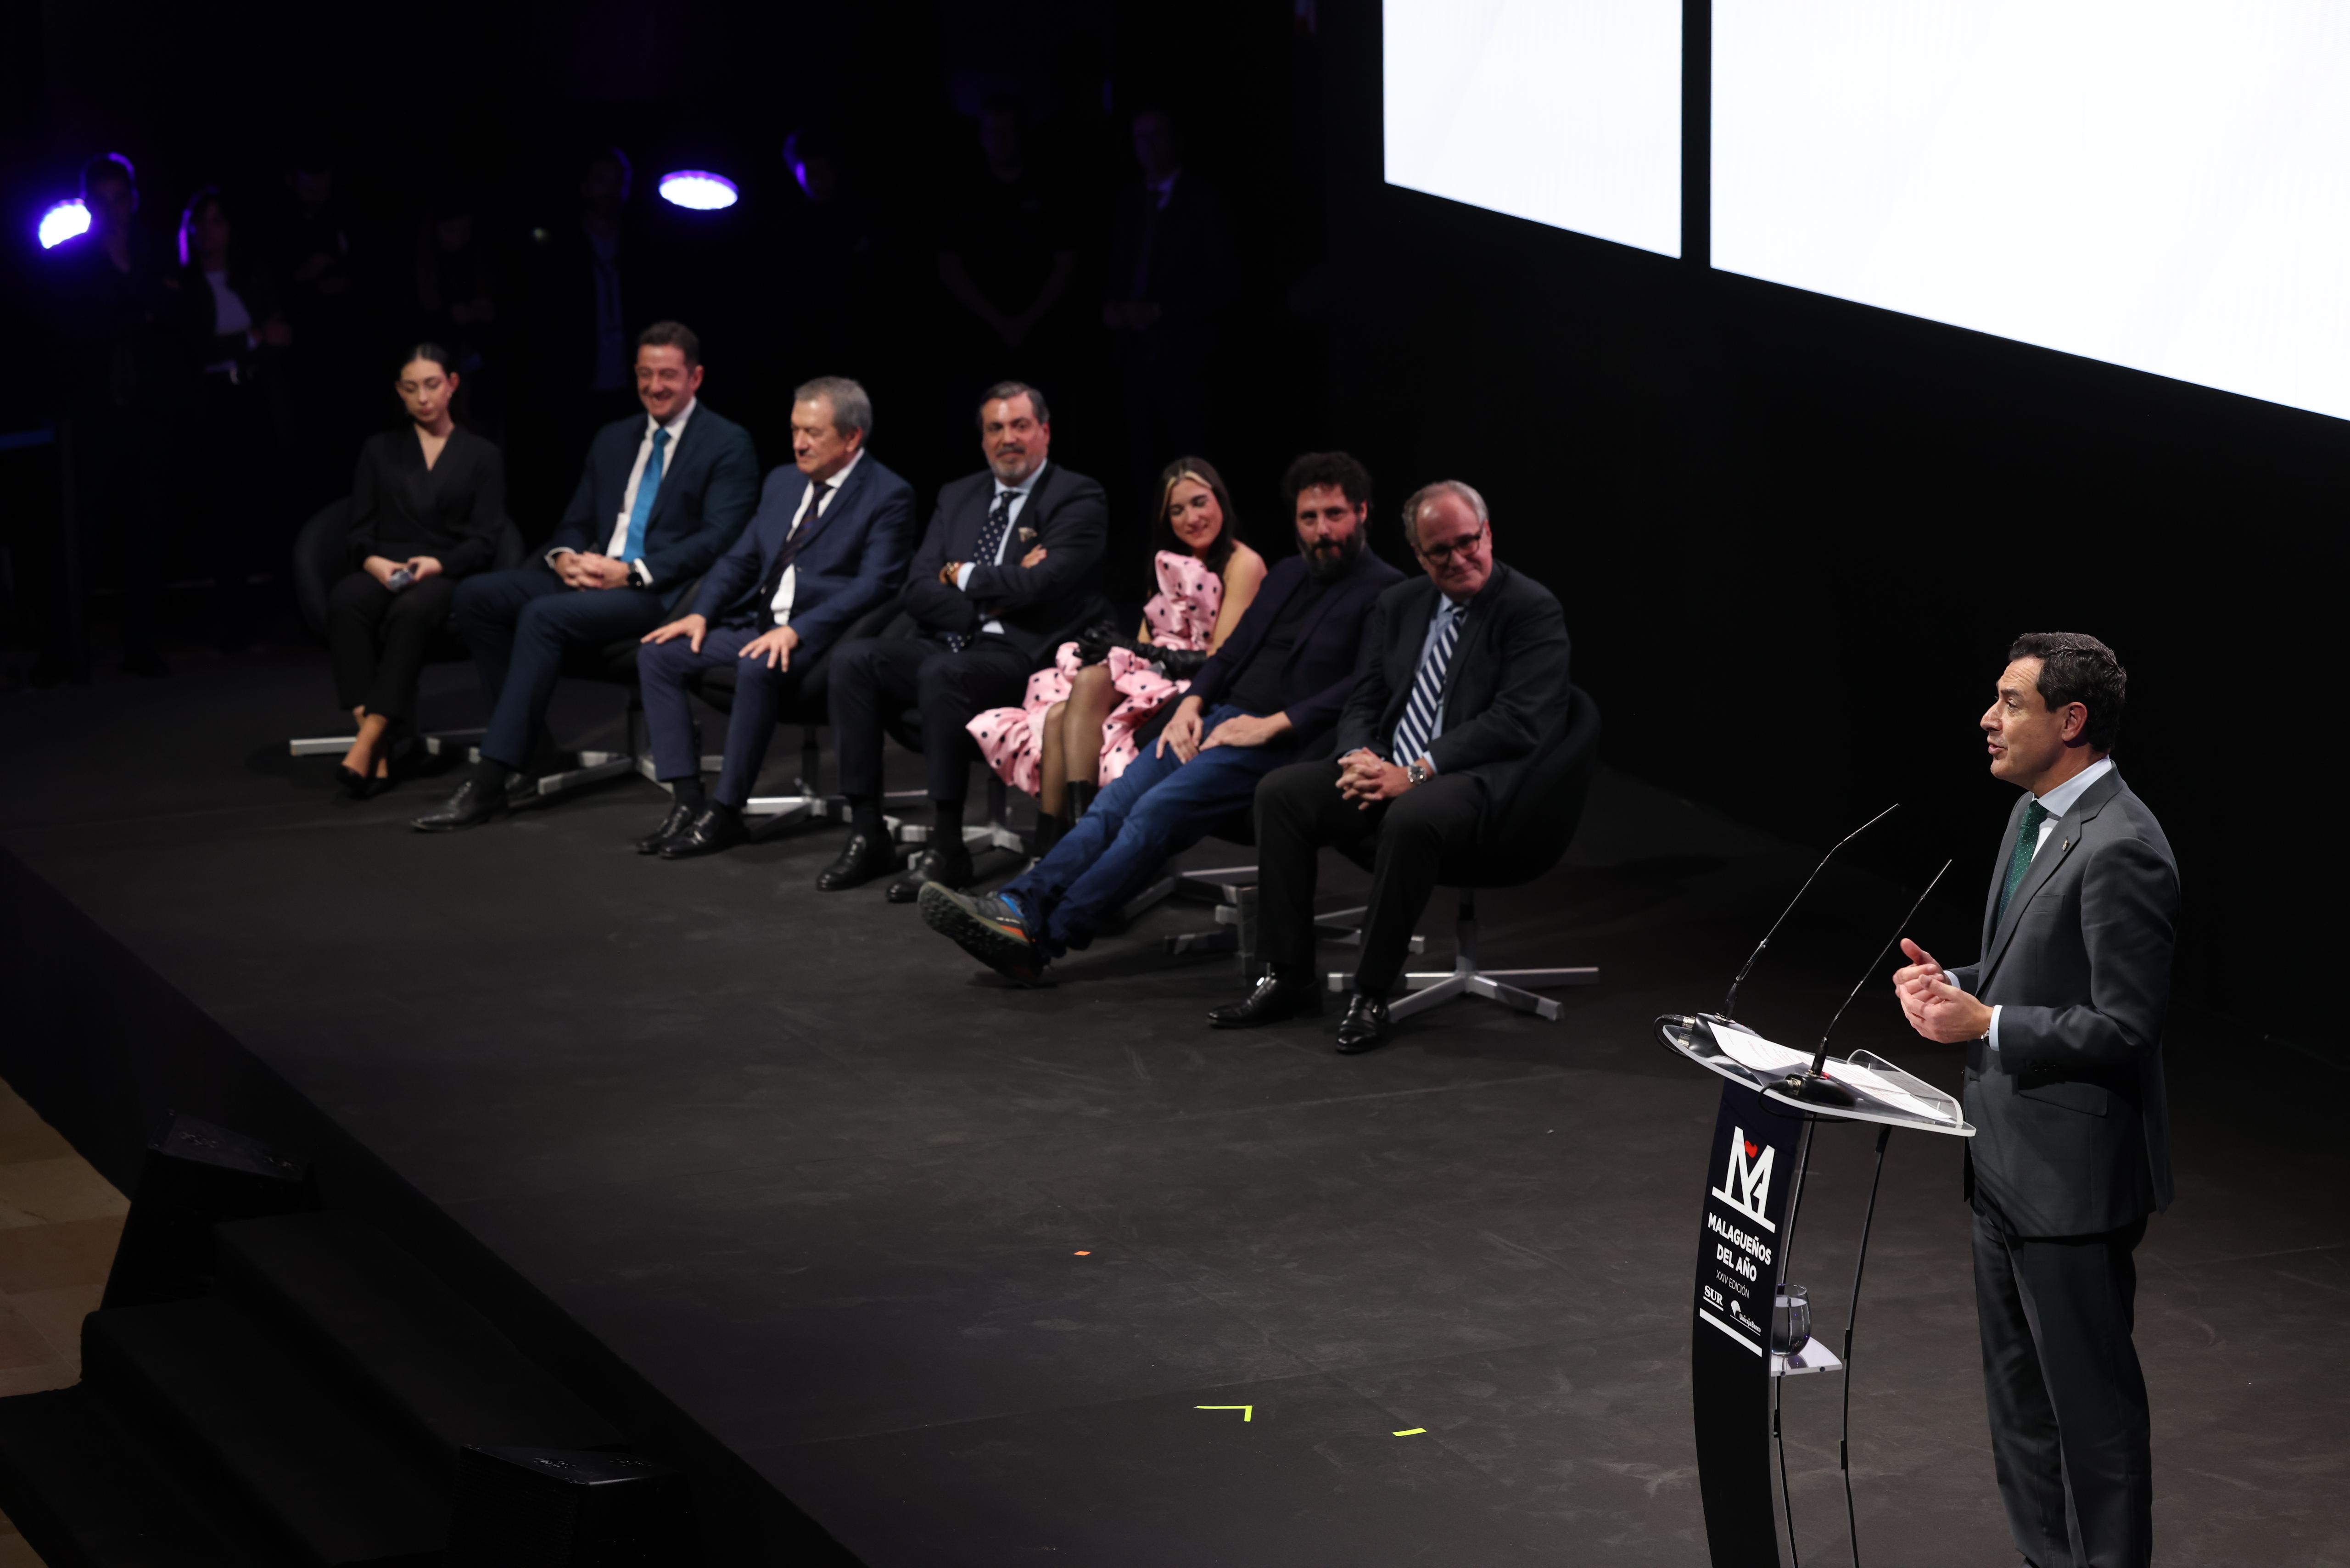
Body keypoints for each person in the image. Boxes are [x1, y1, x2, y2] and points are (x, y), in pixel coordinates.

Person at [1891, 633, 2177, 1568]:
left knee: (2090, 1419)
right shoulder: (2029, 819)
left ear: (2070, 720)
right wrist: (1956, 986)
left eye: (2009, 702)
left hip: (2071, 1185)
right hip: (2002, 1164)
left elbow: (2125, 1025)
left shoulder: (2124, 847)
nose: (1987, 718)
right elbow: (2026, 972)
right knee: (2015, 1408)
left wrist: (1988, 1022)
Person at [918, 452, 1401, 981]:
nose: (1321, 530)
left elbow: (1362, 687)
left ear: (1361, 511)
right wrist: (1190, 705)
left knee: (1154, 812)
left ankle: (1044, 939)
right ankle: (1016, 907)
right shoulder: (1287, 574)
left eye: (1334, 515)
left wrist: (1272, 724)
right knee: (1113, 803)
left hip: (1278, 741)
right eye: (1309, 518)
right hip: (1215, 716)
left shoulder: (1386, 590)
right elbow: (1230, 653)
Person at [1214, 480, 1570, 1053]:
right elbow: (1365, 696)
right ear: (1418, 555)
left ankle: (1370, 993)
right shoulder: (1399, 604)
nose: (1458, 559)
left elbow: (1515, 721)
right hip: (1390, 765)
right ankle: (1287, 976)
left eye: (1467, 542)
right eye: (1440, 551)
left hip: (1471, 777)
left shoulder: (1529, 608)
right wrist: (1361, 756)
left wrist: (1418, 771)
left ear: (1488, 534)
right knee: (1281, 792)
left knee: (1410, 818)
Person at [412, 322, 758, 831]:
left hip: (659, 593)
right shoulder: (613, 438)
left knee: (541, 616)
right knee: (476, 595)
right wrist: (566, 557)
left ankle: (491, 779)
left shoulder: (727, 443)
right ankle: (533, 752)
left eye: (668, 375)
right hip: (593, 577)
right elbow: (574, 520)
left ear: (695, 377)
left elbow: (719, 538)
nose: (655, 386)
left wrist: (633, 573)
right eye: (645, 374)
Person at [818, 381, 1106, 900]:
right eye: (995, 428)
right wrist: (994, 593)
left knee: (941, 674)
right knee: (854, 660)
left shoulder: (1076, 496)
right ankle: (867, 830)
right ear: (982, 439)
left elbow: (1047, 584)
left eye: (1019, 426)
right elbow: (917, 587)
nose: (1007, 438)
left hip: (1021, 654)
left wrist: (965, 575)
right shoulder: (958, 495)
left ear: (1044, 431)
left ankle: (947, 844)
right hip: (954, 640)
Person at [632, 377, 916, 858]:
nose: (799, 443)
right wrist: (701, 614)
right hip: (758, 625)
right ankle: (687, 801)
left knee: (757, 664)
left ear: (851, 438)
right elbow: (740, 558)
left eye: (813, 433)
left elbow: (876, 586)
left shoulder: (888, 494)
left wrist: (798, 630)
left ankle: (726, 813)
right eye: (794, 430)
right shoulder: (783, 481)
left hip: (822, 641)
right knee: (658, 652)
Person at [968, 455, 1266, 854]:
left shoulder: (1243, 563)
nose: (1191, 518)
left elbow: (1221, 660)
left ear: (1220, 502)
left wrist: (1134, 649)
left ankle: (1072, 852)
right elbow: (1149, 641)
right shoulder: (1167, 562)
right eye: (1176, 510)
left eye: (1199, 503)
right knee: (1059, 712)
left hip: (1206, 688)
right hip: (1161, 679)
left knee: (1081, 693)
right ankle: (1055, 852)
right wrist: (1122, 649)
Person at [326, 345, 507, 795]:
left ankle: (368, 741)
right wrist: (373, 562)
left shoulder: (482, 454)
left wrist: (439, 563)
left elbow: (485, 540)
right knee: (346, 600)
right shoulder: (380, 449)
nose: (423, 397)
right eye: (411, 388)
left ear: (451, 384)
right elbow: (358, 529)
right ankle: (380, 737)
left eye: (431, 385)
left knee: (411, 611)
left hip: (444, 570)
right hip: (386, 564)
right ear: (399, 393)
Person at [39, 153, 178, 683]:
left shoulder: (154, 251)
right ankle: (66, 648)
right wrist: (135, 309)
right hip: (94, 417)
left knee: (147, 527)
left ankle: (141, 643)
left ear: (133, 199)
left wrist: (139, 302)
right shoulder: (69, 260)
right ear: (88, 203)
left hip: (148, 412)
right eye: (103, 201)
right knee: (83, 533)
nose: (114, 210)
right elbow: (73, 332)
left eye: (120, 199)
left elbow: (172, 318)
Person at [1102, 107, 1237, 588]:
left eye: (1157, 137)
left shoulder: (1202, 202)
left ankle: (1207, 566)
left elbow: (1219, 280)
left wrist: (1159, 312)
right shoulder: (1129, 201)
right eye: (1140, 138)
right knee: (1142, 465)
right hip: (1134, 358)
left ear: (1175, 140)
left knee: (1193, 463)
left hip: (1186, 358)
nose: (1149, 148)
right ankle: (1151, 566)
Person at [174, 186, 291, 652]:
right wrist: (251, 338)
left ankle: (285, 609)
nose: (209, 230)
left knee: (270, 496)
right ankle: (232, 621)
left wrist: (251, 340)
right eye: (200, 222)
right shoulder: (183, 284)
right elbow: (194, 349)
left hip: (255, 394)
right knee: (224, 507)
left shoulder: (252, 277)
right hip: (213, 401)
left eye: (218, 221)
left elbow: (282, 335)